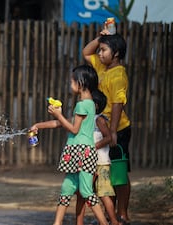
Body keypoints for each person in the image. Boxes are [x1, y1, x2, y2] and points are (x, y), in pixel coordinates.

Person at [30, 65, 109, 225]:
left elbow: (73, 128)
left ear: (82, 82)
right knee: (67, 188)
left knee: (86, 191)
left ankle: (105, 223)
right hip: (78, 152)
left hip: (82, 152)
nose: (70, 82)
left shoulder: (83, 105)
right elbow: (63, 123)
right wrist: (38, 125)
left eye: (73, 79)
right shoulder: (88, 104)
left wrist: (58, 114)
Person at [83, 31, 131, 225]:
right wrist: (100, 37)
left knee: (118, 172)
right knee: (104, 171)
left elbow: (118, 104)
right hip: (102, 128)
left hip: (118, 129)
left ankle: (122, 213)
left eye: (103, 50)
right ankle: (110, 215)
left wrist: (112, 132)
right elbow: (86, 52)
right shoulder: (102, 68)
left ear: (117, 53)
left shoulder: (119, 74)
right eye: (100, 50)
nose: (100, 53)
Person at [75, 90, 122, 225]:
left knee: (104, 193)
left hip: (100, 163)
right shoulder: (85, 119)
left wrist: (93, 147)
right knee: (82, 192)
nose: (81, 102)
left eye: (84, 100)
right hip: (88, 162)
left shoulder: (99, 119)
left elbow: (108, 138)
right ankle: (79, 222)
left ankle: (113, 221)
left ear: (94, 105)